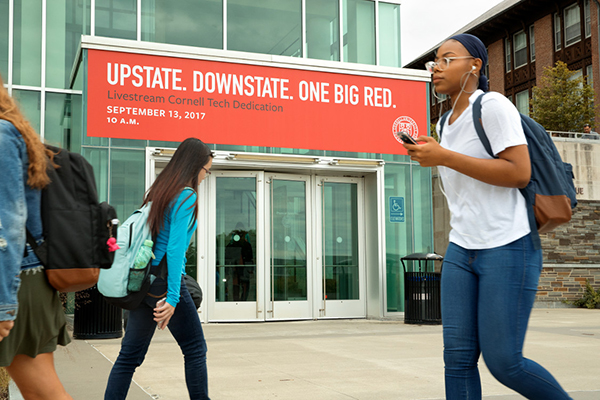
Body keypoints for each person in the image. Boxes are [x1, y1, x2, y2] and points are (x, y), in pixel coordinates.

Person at [404, 34, 572, 399]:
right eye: (435, 61)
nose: (436, 68)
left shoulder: (493, 105)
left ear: (474, 66)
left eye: (447, 59)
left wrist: (445, 157)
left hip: (508, 245)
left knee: (505, 363)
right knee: (458, 361)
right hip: (462, 250)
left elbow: (518, 172)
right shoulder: (443, 124)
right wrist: (433, 153)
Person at [104, 138, 213, 400]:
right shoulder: (186, 195)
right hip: (162, 285)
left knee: (129, 357)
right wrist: (173, 298)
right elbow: (175, 250)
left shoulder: (160, 189)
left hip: (142, 281)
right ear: (195, 166)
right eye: (206, 170)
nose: (206, 176)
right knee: (195, 349)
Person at [0, 76, 72, 399]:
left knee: (45, 395)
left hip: (16, 284)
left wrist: (4, 306)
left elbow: (8, 225)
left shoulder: (2, 136)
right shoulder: (11, 133)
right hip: (23, 282)